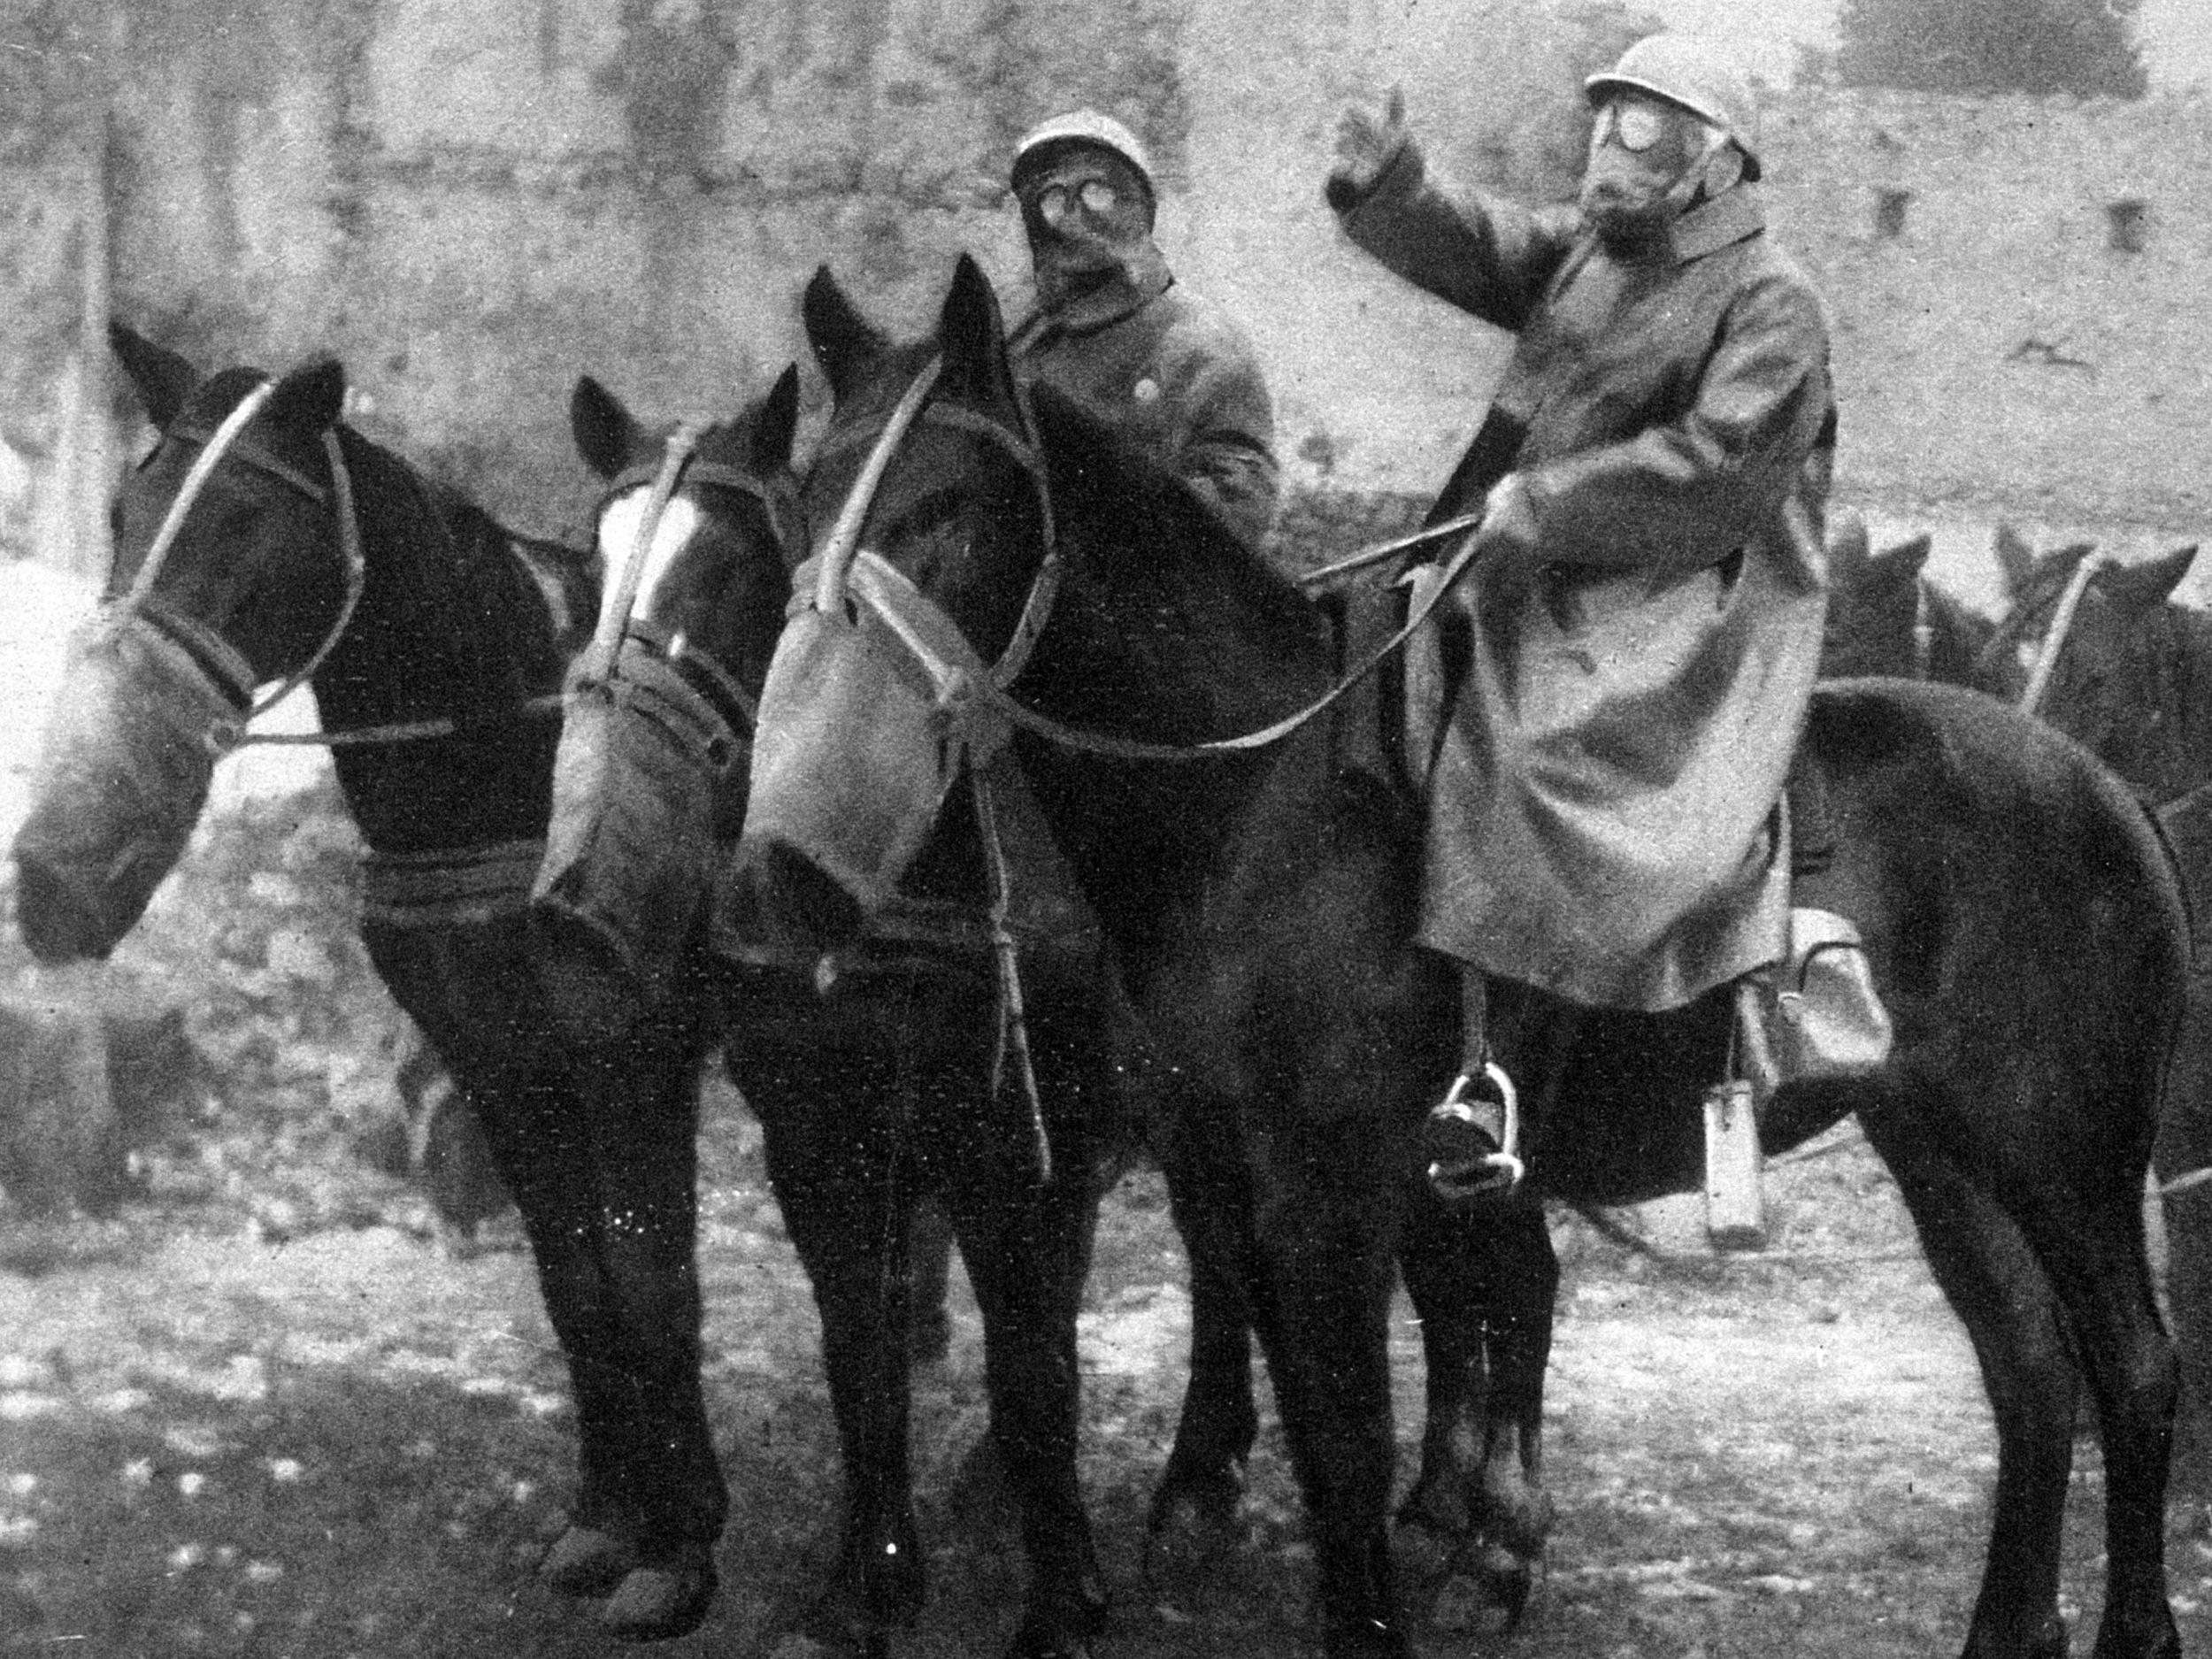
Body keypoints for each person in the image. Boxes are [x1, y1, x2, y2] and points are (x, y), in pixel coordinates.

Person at [1325, 35, 1839, 1188]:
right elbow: (1488, 241)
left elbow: (1719, 466)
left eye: (1644, 130)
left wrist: (1549, 504)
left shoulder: (1772, 298)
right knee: (1367, 644)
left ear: (1715, 163)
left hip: (1694, 594)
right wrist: (1392, 181)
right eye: (1606, 120)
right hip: (1539, 556)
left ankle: (1492, 1072)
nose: (1609, 146)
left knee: (1538, 737)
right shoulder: (1593, 255)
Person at [1008, 110, 1281, 555]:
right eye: (1053, 197)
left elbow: (1241, 501)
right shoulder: (1022, 340)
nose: (1073, 214)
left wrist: (1113, 516)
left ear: (1134, 203)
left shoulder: (1199, 343)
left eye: (1095, 191)